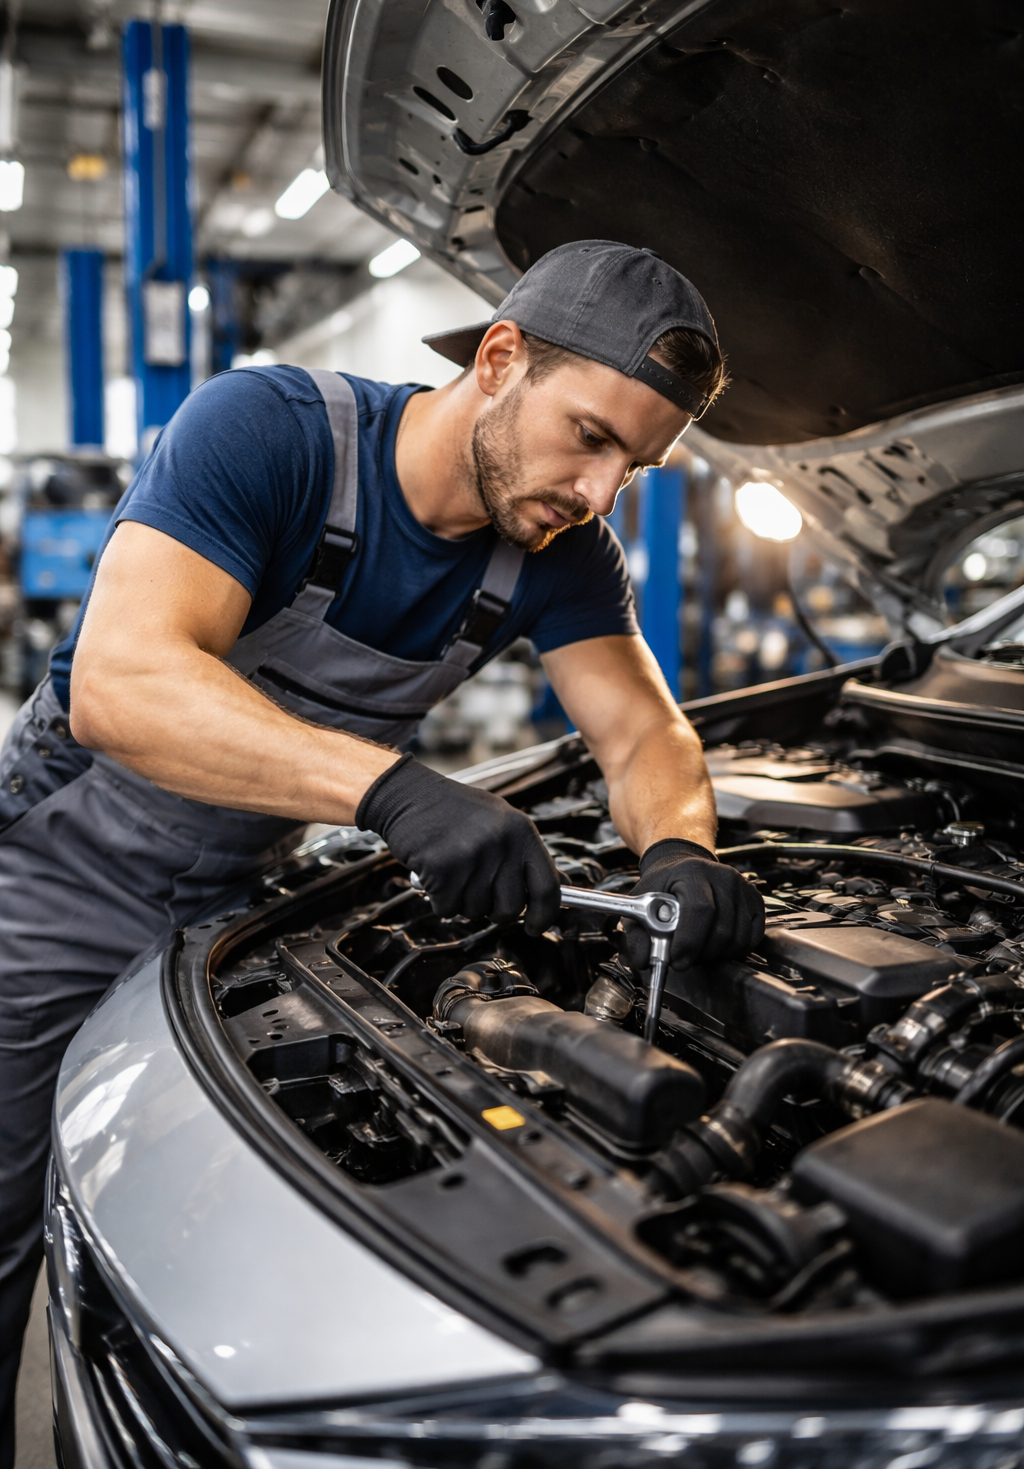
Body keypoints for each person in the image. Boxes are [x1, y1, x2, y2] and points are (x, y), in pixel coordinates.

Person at [0, 239, 763, 1460]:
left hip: (235, 894)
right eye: (590, 437)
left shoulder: (561, 551)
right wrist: (396, 791)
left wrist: (678, 849)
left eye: (638, 465)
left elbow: (643, 733)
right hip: (61, 870)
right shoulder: (271, 431)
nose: (603, 491)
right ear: (501, 358)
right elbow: (124, 684)